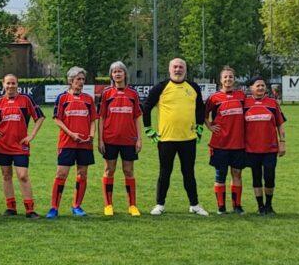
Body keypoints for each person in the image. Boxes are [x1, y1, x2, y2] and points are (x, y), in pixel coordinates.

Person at [143, 58, 210, 216]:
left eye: (181, 67)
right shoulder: (161, 87)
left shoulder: (193, 87)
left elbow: (200, 108)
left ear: (185, 70)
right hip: (166, 139)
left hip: (188, 139)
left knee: (189, 173)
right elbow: (146, 107)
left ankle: (194, 204)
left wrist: (200, 127)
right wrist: (148, 129)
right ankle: (160, 204)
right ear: (169, 69)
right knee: (165, 172)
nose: (178, 69)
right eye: (175, 67)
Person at [0, 74, 44, 218]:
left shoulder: (26, 100)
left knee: (23, 175)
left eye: (13, 83)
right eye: (8, 83)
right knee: (6, 175)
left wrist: (31, 135)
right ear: (3, 85)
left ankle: (30, 209)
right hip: (2, 146)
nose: (11, 86)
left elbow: (40, 117)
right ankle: (11, 207)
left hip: (20, 146)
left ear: (17, 84)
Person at [47, 67, 98, 219]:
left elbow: (93, 120)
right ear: (71, 81)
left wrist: (91, 135)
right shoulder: (62, 98)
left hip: (84, 144)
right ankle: (54, 208)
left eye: (83, 79)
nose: (81, 82)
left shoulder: (88, 99)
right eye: (78, 79)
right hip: (67, 143)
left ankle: (77, 206)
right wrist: (71, 134)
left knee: (82, 174)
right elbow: (56, 119)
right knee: (61, 173)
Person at [96, 62, 143, 217]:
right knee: (109, 170)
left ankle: (132, 205)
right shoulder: (106, 93)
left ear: (125, 74)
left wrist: (139, 139)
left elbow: (137, 117)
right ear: (111, 75)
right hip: (110, 139)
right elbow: (101, 118)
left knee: (128, 171)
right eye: (114, 71)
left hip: (129, 139)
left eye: (120, 71)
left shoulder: (133, 94)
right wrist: (100, 140)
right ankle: (108, 205)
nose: (117, 74)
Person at [204, 66, 247, 215]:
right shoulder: (214, 98)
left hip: (238, 143)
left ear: (234, 79)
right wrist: (210, 126)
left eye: (231, 77)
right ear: (220, 80)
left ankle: (237, 206)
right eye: (225, 77)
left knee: (237, 174)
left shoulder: (241, 96)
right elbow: (203, 114)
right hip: (220, 143)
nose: (228, 79)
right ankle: (221, 207)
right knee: (220, 174)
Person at [244, 77, 286, 215]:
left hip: (270, 148)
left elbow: (280, 124)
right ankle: (260, 206)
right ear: (251, 88)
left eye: (263, 85)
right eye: (257, 86)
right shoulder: (245, 103)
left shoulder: (273, 103)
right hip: (251, 148)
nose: (261, 88)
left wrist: (282, 142)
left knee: (269, 177)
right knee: (256, 177)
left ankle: (269, 205)